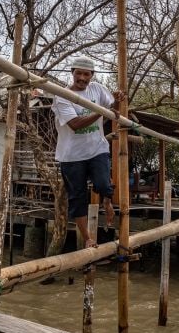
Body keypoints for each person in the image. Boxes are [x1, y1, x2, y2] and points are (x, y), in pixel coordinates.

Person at [51, 56, 124, 248]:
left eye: (86, 74)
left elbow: (113, 109)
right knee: (78, 197)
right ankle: (88, 238)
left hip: (97, 148)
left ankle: (106, 202)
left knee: (102, 183)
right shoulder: (62, 95)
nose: (82, 78)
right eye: (79, 73)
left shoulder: (97, 89)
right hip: (71, 155)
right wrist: (102, 111)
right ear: (72, 73)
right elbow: (75, 124)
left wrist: (117, 102)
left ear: (92, 75)